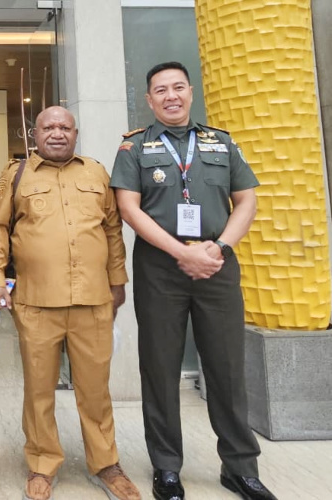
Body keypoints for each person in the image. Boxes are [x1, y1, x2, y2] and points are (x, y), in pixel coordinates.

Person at [110, 61, 276, 500]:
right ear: (149, 99)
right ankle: (167, 467)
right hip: (160, 269)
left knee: (227, 369)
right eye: (161, 90)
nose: (171, 96)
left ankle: (240, 468)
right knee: (160, 368)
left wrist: (217, 248)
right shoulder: (134, 148)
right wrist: (182, 252)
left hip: (217, 267)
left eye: (178, 87)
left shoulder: (221, 142)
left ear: (190, 92)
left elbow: (246, 202)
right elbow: (129, 208)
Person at [0, 106, 140, 500]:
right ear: (34, 134)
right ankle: (41, 463)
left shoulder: (96, 172)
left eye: (64, 127)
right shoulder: (15, 175)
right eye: (48, 127)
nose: (57, 133)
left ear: (75, 133)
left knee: (95, 389)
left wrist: (118, 281)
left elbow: (112, 230)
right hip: (36, 301)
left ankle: (105, 464)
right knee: (39, 389)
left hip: (93, 299)